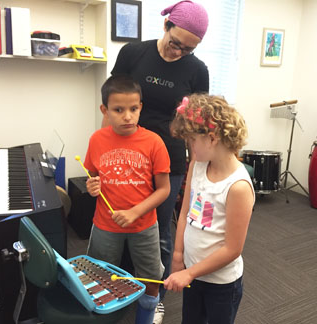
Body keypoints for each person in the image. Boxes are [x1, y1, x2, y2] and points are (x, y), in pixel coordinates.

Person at [107, 1, 210, 321]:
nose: (179, 52)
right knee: (121, 223)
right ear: (166, 26)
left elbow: (196, 123)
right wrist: (103, 149)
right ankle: (121, 286)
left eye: (188, 49)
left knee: (160, 231)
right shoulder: (133, 54)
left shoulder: (197, 70)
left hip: (169, 158)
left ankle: (155, 294)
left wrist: (198, 170)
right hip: (126, 154)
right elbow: (113, 101)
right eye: (176, 43)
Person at [84, 75, 171, 324]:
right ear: (105, 110)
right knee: (100, 277)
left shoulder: (154, 142)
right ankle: (105, 317)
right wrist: (93, 185)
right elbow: (92, 173)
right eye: (118, 110)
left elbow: (164, 189)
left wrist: (135, 212)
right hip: (105, 224)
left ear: (141, 107)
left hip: (143, 225)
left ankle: (145, 317)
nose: (127, 116)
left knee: (151, 279)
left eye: (133, 109)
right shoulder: (97, 139)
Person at [164, 94, 255, 324]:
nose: (190, 148)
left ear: (212, 138)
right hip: (193, 273)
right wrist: (177, 255)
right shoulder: (197, 164)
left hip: (221, 284)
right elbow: (184, 213)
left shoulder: (238, 187)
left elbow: (233, 249)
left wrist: (190, 273)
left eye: (192, 141)